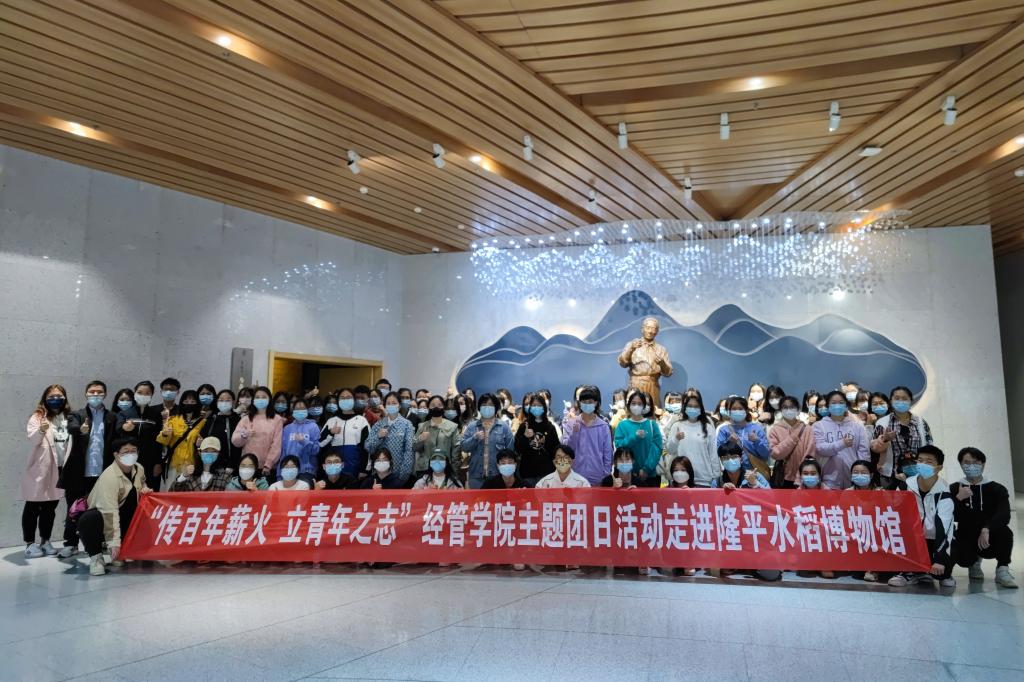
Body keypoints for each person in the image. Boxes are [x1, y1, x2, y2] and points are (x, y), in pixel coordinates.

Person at [58, 380, 118, 558]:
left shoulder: (112, 417)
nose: (95, 395)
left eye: (99, 392)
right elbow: (71, 427)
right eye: (92, 392)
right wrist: (80, 429)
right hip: (78, 472)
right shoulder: (76, 414)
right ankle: (71, 543)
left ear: (105, 394)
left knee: (100, 510)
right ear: (86, 394)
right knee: (73, 509)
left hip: (102, 472)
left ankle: (99, 542)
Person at [77, 437, 150, 576]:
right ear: (116, 455)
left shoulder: (139, 468)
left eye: (133, 451)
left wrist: (144, 489)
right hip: (103, 516)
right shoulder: (109, 477)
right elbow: (109, 512)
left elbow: (141, 483)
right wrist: (114, 543)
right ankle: (96, 558)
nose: (130, 454)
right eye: (126, 452)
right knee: (89, 519)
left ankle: (122, 551)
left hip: (125, 514)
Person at [888, 445, 955, 589]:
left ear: (939, 467)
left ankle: (941, 572)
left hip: (934, 539)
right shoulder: (905, 486)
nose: (923, 464)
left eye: (929, 462)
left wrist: (940, 559)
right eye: (920, 460)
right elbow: (895, 514)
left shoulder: (944, 492)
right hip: (912, 538)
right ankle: (907, 572)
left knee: (941, 570)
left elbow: (944, 526)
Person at [950, 447, 1016, 588]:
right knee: (963, 558)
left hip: (989, 533)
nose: (971, 466)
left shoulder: (997, 489)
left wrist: (987, 528)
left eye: (976, 462)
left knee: (1005, 532)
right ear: (961, 464)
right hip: (966, 532)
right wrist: (958, 498)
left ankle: (1002, 568)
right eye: (967, 462)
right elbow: (947, 514)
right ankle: (974, 563)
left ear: (983, 464)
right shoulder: (955, 488)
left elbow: (1004, 514)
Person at [22, 385, 70, 558]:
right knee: (33, 506)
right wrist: (41, 429)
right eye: (51, 396)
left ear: (64, 398)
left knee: (50, 507)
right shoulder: (38, 416)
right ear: (45, 398)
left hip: (60, 468)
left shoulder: (68, 417)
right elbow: (33, 440)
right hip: (41, 467)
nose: (55, 399)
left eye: (59, 396)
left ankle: (45, 541)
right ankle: (29, 543)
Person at [871, 386, 933, 488]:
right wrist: (885, 440)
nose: (900, 401)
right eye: (897, 398)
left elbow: (930, 446)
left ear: (910, 401)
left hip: (918, 476)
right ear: (891, 401)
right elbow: (874, 449)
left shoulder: (921, 422)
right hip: (890, 476)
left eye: (904, 398)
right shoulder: (882, 423)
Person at [812, 390, 869, 490]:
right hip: (828, 482)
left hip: (853, 480)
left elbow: (864, 452)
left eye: (841, 402)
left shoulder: (858, 426)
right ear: (828, 406)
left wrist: (862, 474)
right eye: (833, 403)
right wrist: (842, 443)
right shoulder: (818, 426)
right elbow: (820, 448)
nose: (837, 406)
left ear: (846, 406)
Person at [660, 392, 718, 487]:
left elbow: (713, 453)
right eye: (690, 406)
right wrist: (676, 439)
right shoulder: (677, 425)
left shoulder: (708, 427)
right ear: (685, 408)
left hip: (703, 479)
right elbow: (669, 450)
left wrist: (716, 475)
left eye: (696, 406)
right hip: (681, 479)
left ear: (701, 408)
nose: (693, 408)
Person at [561, 386, 613, 486]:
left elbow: (607, 453)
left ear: (596, 403)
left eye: (590, 402)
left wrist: (606, 474)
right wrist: (574, 434)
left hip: (597, 477)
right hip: (575, 477)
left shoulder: (603, 426)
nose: (587, 404)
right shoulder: (571, 423)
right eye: (584, 402)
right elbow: (567, 450)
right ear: (580, 403)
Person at [116, 380, 163, 491]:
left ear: (152, 395)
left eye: (147, 393)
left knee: (148, 489)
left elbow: (159, 440)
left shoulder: (156, 415)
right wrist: (124, 428)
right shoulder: (125, 413)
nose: (143, 395)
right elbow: (118, 429)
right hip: (128, 458)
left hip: (150, 460)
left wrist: (158, 462)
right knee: (128, 489)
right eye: (140, 392)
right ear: (135, 393)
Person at [461, 393, 514, 488]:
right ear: (479, 407)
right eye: (484, 405)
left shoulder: (504, 427)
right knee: (477, 498)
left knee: (496, 498)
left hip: (497, 475)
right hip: (476, 475)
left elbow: (511, 451)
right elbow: (464, 447)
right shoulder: (472, 426)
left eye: (490, 405)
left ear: (496, 408)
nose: (487, 407)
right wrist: (474, 438)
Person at [618, 316, 673, 407]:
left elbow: (668, 372)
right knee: (635, 410)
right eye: (648, 328)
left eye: (653, 329)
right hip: (636, 385)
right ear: (642, 329)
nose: (650, 331)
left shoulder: (661, 349)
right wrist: (631, 349)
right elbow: (623, 363)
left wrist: (662, 364)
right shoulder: (632, 344)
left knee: (653, 411)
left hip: (653, 385)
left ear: (657, 331)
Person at [156, 389, 206, 488]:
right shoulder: (173, 420)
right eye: (186, 401)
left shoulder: (203, 422)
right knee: (171, 491)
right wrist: (165, 434)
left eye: (193, 401)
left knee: (189, 493)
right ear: (181, 403)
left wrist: (201, 444)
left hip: (192, 465)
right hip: (174, 464)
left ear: (197, 403)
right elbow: (163, 441)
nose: (189, 404)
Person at [613, 389, 663, 487]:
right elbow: (619, 446)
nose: (636, 406)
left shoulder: (652, 425)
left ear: (644, 406)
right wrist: (634, 437)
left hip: (649, 476)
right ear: (629, 405)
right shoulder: (622, 425)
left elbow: (657, 448)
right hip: (627, 475)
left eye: (640, 404)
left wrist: (646, 469)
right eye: (633, 403)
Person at [232, 386, 284, 480]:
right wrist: (243, 435)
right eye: (257, 397)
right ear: (253, 400)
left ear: (269, 399)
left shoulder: (277, 419)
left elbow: (276, 445)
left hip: (267, 468)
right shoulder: (246, 419)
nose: (260, 399)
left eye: (263, 397)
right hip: (247, 466)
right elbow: (235, 441)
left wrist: (268, 464)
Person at [365, 392, 416, 485]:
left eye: (394, 403)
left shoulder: (407, 424)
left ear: (399, 406)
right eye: (388, 403)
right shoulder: (379, 424)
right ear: (384, 406)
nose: (391, 405)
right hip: (379, 473)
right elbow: (368, 447)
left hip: (398, 474)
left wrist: (403, 475)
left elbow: (409, 451)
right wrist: (378, 437)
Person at [715, 396, 771, 479]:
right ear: (728, 411)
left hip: (755, 473)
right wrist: (728, 442)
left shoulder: (756, 428)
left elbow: (766, 455)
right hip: (733, 475)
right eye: (734, 409)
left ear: (746, 410)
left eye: (740, 409)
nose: (737, 411)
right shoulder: (724, 430)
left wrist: (757, 441)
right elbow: (719, 453)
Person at [320, 387, 370, 476]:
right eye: (342, 398)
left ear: (354, 400)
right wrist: (330, 433)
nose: (345, 400)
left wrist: (364, 469)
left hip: (355, 469)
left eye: (348, 397)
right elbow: (320, 444)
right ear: (338, 401)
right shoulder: (332, 421)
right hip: (333, 470)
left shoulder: (361, 420)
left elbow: (367, 447)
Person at [769, 396, 815, 488]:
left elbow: (810, 454)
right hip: (783, 477)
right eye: (785, 407)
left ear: (798, 409)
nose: (788, 410)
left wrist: (800, 474)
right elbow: (775, 453)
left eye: (792, 407)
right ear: (780, 410)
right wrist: (793, 438)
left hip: (804, 477)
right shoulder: (775, 429)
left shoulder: (808, 429)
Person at [412, 394, 460, 482]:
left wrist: (455, 472)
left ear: (444, 407)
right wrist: (421, 439)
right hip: (424, 469)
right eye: (433, 405)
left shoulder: (452, 426)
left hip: (445, 468)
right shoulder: (422, 426)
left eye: (439, 405)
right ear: (428, 407)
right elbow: (414, 447)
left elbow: (456, 452)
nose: (436, 407)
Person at [515, 393, 560, 485]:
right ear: (530, 407)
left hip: (546, 471)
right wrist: (525, 437)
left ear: (544, 407)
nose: (536, 408)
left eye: (539, 405)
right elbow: (517, 448)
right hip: (528, 472)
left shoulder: (550, 427)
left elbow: (555, 449)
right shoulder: (524, 426)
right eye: (534, 405)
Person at [279, 398, 322, 484]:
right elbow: (283, 452)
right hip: (289, 470)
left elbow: (316, 450)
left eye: (302, 408)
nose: (300, 411)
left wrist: (304, 442)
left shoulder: (313, 426)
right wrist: (279, 474)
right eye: (297, 409)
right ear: (293, 411)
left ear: (307, 410)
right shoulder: (287, 428)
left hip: (307, 471)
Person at [199, 389, 242, 473]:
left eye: (228, 400)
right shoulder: (211, 419)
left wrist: (232, 465)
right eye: (221, 400)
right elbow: (202, 439)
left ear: (233, 402)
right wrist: (199, 442)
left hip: (231, 466)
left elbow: (239, 445)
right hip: (211, 464)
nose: (224, 403)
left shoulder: (238, 420)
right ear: (217, 402)